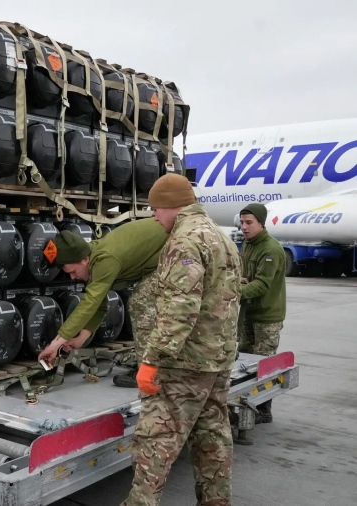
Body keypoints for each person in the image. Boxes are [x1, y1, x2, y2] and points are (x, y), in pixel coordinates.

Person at [122, 173, 241, 506]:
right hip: (217, 358)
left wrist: (152, 359)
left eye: (155, 210)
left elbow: (180, 307)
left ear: (170, 206)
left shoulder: (184, 240)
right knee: (212, 434)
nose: (155, 217)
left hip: (185, 363)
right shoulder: (221, 236)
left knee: (155, 438)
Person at [37, 220, 169, 387]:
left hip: (178, 248)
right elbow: (99, 304)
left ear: (84, 260)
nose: (72, 277)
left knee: (140, 302)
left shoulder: (105, 259)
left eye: (72, 272)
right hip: (162, 256)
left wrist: (55, 344)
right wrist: (80, 339)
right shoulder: (92, 260)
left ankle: (150, 373)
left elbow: (90, 303)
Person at [238, 203, 287, 424]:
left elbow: (262, 284)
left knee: (264, 365)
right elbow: (246, 276)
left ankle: (264, 410)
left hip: (267, 316)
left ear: (261, 223)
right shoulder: (248, 245)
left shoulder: (270, 249)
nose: (244, 228)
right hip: (249, 312)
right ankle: (247, 404)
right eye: (242, 223)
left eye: (249, 223)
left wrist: (234, 292)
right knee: (245, 361)